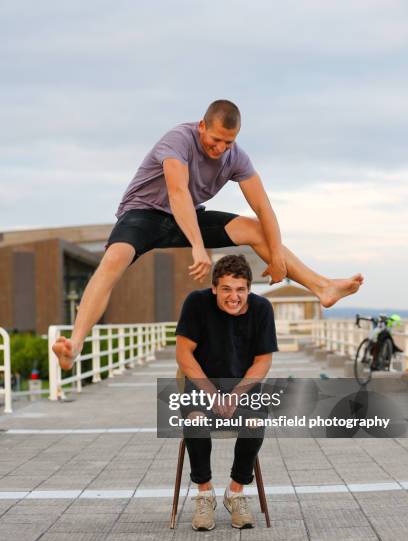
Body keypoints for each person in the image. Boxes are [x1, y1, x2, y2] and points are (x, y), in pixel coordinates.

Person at [53, 99, 363, 370]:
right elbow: (177, 193)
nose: (220, 149)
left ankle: (322, 287)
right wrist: (198, 247)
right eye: (215, 140)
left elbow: (263, 208)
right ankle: (75, 346)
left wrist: (278, 255)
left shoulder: (235, 156)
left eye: (228, 143)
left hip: (188, 217)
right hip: (144, 214)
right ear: (202, 126)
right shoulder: (178, 139)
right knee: (114, 259)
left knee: (254, 229)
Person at [175, 254, 278, 530]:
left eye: (241, 289)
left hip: (242, 389)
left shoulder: (262, 308)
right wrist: (211, 393)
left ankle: (235, 493)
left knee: (256, 422)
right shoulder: (196, 304)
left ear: (249, 289)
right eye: (227, 289)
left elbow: (263, 361)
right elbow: (184, 355)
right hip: (201, 386)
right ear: (214, 288)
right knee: (195, 420)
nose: (234, 297)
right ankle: (205, 495)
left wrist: (235, 396)